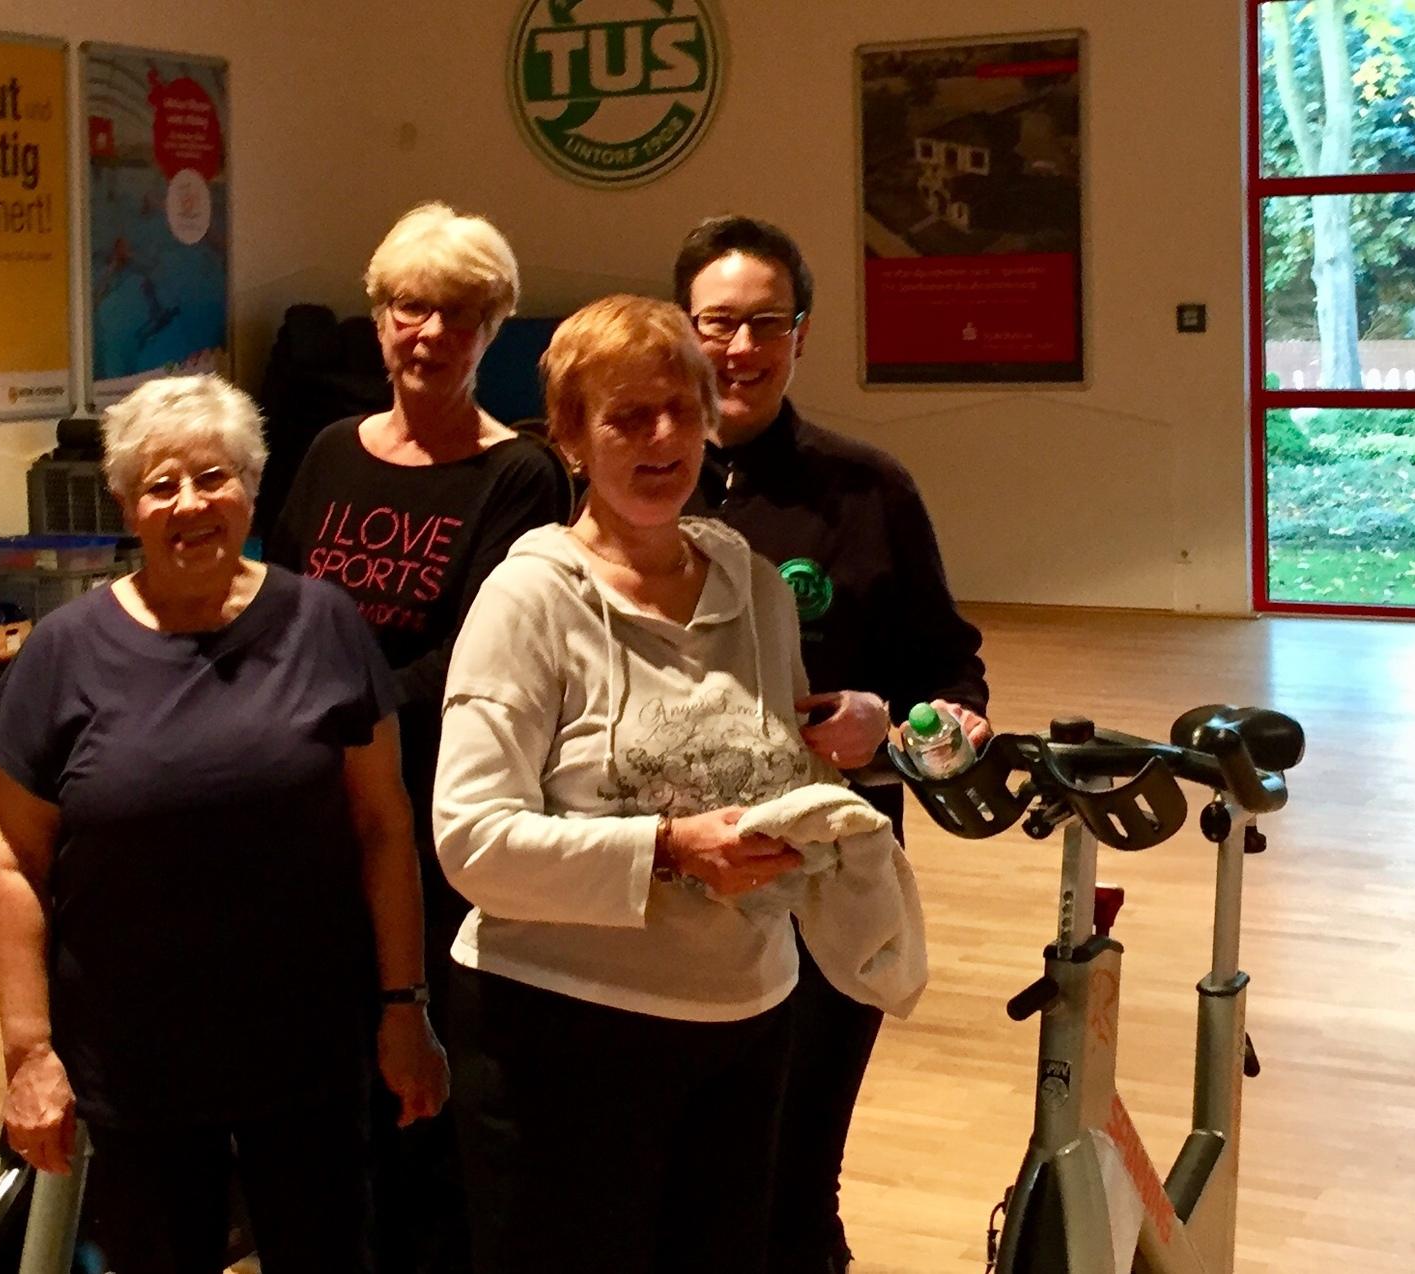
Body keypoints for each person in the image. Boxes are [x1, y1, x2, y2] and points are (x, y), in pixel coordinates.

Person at [0, 374, 447, 1274]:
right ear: (126, 503)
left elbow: (383, 828)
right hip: (131, 1057)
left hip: (307, 1050)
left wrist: (404, 1009)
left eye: (213, 477)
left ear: (252, 487)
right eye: (161, 485)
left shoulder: (323, 623)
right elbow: (15, 863)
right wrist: (29, 1051)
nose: (189, 504)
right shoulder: (63, 652)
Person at [434, 295, 839, 1274]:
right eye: (624, 415)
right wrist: (665, 850)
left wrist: (821, 791)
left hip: (748, 1021)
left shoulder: (755, 583)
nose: (661, 437)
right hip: (561, 1037)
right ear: (570, 439)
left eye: (681, 409)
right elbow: (471, 839)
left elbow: (770, 757)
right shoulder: (527, 598)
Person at [673, 214, 992, 1274]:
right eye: (717, 323)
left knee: (796, 1169)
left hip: (824, 888)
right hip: (669, 889)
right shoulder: (620, 490)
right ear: (681, 329)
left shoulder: (868, 491)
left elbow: (952, 673)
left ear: (800, 335)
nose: (740, 349)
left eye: (766, 324)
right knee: (683, 1175)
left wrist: (899, 732)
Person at [265, 202, 570, 1274]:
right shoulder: (325, 452)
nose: (428, 332)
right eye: (408, 308)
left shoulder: (521, 475)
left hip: (439, 798)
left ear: (492, 329)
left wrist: (342, 723)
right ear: (379, 317)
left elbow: (482, 653)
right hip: (317, 789)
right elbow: (284, 601)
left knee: (426, 1046)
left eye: (456, 313)